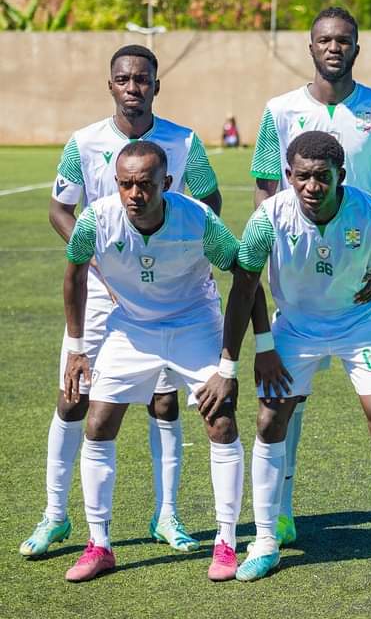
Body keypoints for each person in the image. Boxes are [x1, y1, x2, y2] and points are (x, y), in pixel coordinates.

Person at [22, 44, 222, 559]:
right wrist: (98, 262)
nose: (133, 87)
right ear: (110, 84)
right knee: (74, 395)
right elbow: (60, 209)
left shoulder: (183, 141)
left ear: (157, 85)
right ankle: (55, 515)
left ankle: (168, 514)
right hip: (101, 285)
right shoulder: (84, 142)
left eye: (142, 79)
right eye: (123, 79)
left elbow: (209, 205)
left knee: (164, 398)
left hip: (169, 292)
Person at [223, 131, 371, 583]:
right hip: (296, 327)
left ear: (341, 175)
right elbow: (244, 286)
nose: (312, 187)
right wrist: (249, 355)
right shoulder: (269, 218)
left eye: (323, 176)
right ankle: (265, 539)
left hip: (359, 322)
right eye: (302, 177)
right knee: (268, 420)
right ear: (288, 176)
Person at [248, 6, 371, 552]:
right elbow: (266, 192)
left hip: (366, 278)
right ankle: (280, 517)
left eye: (343, 40)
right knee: (283, 404)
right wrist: (279, 262)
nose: (334, 48)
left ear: (356, 48)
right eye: (324, 40)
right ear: (311, 46)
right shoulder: (279, 110)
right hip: (300, 284)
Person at [60, 142, 247, 582]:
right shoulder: (94, 220)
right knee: (98, 421)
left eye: (145, 184)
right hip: (132, 325)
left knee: (219, 420)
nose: (134, 194)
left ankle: (225, 542)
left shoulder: (198, 219)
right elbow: (73, 275)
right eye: (125, 184)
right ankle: (99, 544)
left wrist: (229, 365)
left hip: (193, 321)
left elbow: (244, 274)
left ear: (165, 183)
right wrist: (76, 346)